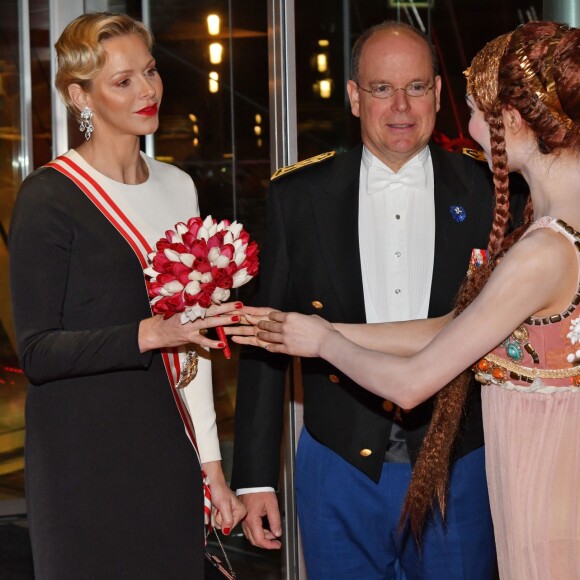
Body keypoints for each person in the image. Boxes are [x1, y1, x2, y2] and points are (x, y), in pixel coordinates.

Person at [234, 21, 580, 580]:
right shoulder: (298, 194)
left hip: (467, 466)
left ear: (440, 95)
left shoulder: (501, 193)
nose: (400, 105)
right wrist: (255, 476)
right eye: (381, 89)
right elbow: (270, 339)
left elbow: (435, 353)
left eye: (418, 87)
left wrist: (321, 337)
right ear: (353, 96)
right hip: (338, 462)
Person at [8, 13, 245, 578]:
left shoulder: (178, 185)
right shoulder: (48, 198)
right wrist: (148, 332)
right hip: (82, 458)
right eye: (123, 81)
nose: (147, 90)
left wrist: (210, 465)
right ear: (79, 95)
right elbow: (38, 353)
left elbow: (195, 350)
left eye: (151, 71)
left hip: (167, 449)